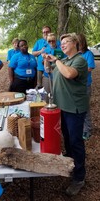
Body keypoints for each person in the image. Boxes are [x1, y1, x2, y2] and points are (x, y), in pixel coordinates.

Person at [44, 33, 89, 196]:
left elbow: (69, 74)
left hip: (74, 109)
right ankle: (71, 166)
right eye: (61, 43)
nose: (62, 45)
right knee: (68, 140)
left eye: (65, 42)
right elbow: (49, 71)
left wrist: (56, 60)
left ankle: (79, 178)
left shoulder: (79, 60)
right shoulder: (64, 60)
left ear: (75, 43)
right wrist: (47, 60)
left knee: (76, 142)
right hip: (62, 108)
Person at [78, 33, 95, 140]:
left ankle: (87, 130)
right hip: (76, 86)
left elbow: (90, 68)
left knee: (85, 108)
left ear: (82, 42)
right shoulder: (76, 54)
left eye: (78, 42)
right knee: (79, 108)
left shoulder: (88, 54)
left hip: (85, 85)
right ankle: (82, 128)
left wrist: (77, 71)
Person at [42, 33, 65, 102]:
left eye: (53, 41)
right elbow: (44, 64)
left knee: (57, 94)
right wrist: (45, 59)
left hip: (58, 74)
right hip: (47, 75)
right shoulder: (45, 50)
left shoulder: (61, 49)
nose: (51, 42)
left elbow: (65, 61)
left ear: (56, 40)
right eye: (49, 41)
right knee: (46, 94)